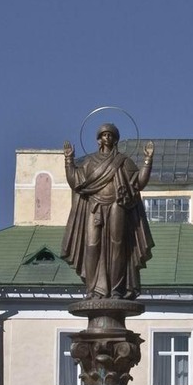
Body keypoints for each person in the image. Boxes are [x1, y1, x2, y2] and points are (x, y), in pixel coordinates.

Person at [62, 124, 155, 299]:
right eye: (104, 135)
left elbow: (138, 183)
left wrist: (148, 161)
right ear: (99, 139)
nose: (107, 138)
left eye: (111, 135)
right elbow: (76, 181)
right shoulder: (90, 162)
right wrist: (69, 160)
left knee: (117, 245)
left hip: (116, 205)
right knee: (91, 245)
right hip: (94, 207)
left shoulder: (123, 161)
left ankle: (116, 289)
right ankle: (93, 289)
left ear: (115, 140)